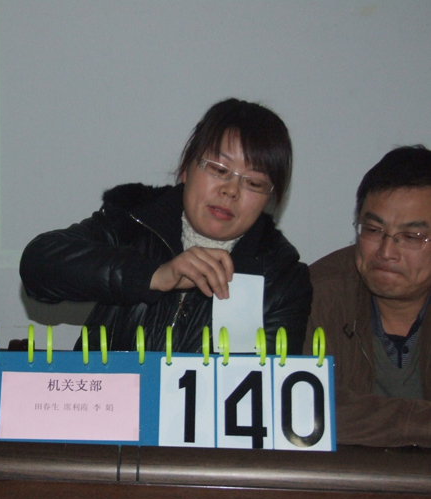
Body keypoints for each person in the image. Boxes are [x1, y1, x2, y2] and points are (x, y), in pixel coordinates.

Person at [20, 98, 311, 355]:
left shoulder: (281, 279)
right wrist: (153, 275)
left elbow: (264, 391)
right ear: (186, 168)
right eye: (219, 169)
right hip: (111, 399)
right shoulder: (135, 220)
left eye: (254, 183)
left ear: (269, 198)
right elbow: (38, 265)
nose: (231, 190)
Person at [306, 145, 431, 447]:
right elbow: (306, 407)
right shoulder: (317, 293)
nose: (386, 252)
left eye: (411, 237)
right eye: (373, 230)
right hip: (342, 476)